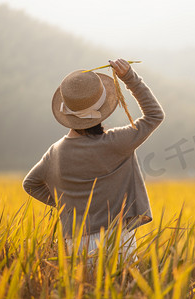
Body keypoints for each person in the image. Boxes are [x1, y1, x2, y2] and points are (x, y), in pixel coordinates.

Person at [22, 58, 165, 264]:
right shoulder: (116, 142)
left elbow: (30, 184)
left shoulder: (55, 152)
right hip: (117, 239)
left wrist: (67, 205)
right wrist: (130, 79)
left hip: (76, 243)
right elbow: (154, 115)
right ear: (103, 107)